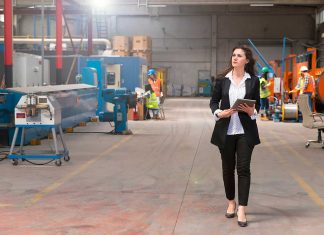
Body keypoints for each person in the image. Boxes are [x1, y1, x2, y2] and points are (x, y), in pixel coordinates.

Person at [210, 45, 260, 227]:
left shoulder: (254, 81)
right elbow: (213, 101)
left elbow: (258, 106)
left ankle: (242, 208)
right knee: (227, 169)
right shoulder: (222, 80)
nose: (235, 58)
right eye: (233, 55)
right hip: (226, 131)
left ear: (246, 60)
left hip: (245, 131)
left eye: (239, 56)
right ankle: (231, 202)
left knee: (244, 169)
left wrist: (251, 111)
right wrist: (218, 113)